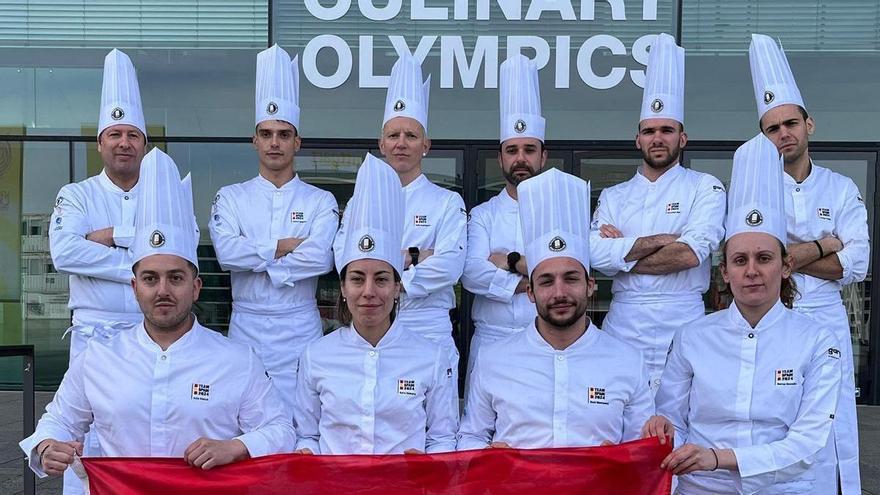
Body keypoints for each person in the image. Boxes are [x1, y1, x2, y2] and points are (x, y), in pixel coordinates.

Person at [20, 149, 295, 487]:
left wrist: (237, 446)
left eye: (175, 278)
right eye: (150, 278)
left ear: (196, 287)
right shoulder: (99, 359)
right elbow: (58, 422)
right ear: (135, 287)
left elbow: (281, 431)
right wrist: (46, 447)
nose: (163, 290)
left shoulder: (236, 359)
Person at [652, 134, 842, 494]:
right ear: (725, 272)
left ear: (786, 267)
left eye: (764, 258)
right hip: (701, 487)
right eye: (739, 260)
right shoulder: (691, 336)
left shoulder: (817, 340)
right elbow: (672, 420)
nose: (751, 270)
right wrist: (666, 436)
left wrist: (719, 457)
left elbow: (808, 443)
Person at [457, 168, 662, 450]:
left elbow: (641, 447)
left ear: (591, 286)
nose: (559, 293)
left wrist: (624, 457)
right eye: (546, 281)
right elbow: (471, 436)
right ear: (530, 292)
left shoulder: (627, 360)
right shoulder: (493, 359)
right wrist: (489, 459)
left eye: (571, 278)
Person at [749, 33, 868, 494]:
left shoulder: (839, 189)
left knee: (828, 417)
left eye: (790, 124)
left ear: (809, 124)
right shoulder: (755, 188)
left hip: (824, 319)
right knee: (770, 413)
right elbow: (751, 261)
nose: (783, 134)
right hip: (770, 319)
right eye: (772, 128)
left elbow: (857, 261)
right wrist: (822, 245)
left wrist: (790, 254)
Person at [590, 33, 726, 394]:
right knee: (620, 411)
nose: (657, 138)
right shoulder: (614, 195)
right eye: (649, 131)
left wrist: (624, 252)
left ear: (683, 138)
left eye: (667, 130)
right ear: (637, 139)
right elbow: (593, 255)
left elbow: (691, 253)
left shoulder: (705, 186)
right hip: (624, 321)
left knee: (682, 415)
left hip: (683, 319)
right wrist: (666, 238)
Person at [295, 154, 458, 455]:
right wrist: (306, 453)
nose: (369, 291)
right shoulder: (316, 356)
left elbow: (443, 438)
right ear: (343, 288)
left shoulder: (431, 357)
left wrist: (427, 463)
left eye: (382, 279)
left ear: (398, 288)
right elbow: (306, 435)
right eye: (357, 279)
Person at [209, 45, 338, 414]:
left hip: (300, 325)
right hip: (246, 323)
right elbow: (227, 254)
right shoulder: (231, 197)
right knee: (243, 415)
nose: (275, 142)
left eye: (283, 134)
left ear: (297, 142)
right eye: (266, 134)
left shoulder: (319, 199)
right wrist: (283, 246)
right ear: (255, 141)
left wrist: (259, 256)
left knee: (304, 417)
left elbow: (319, 259)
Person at [48, 48, 148, 495]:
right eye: (115, 134)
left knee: (143, 435)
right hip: (92, 339)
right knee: (81, 441)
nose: (123, 142)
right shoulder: (76, 193)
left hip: (147, 336)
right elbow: (65, 252)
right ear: (100, 142)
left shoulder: (163, 193)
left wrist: (106, 236)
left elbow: (178, 259)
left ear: (144, 143)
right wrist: (138, 256)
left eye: (132, 134)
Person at [335, 53, 466, 392]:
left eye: (411, 135)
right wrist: (414, 255)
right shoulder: (358, 203)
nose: (401, 143)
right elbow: (341, 258)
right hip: (370, 331)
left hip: (428, 327)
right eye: (393, 135)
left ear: (426, 145)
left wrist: (386, 271)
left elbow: (450, 265)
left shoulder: (447, 202)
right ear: (381, 144)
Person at [461, 54, 546, 383]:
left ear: (543, 155)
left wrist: (507, 260)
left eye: (529, 149)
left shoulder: (561, 210)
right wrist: (532, 279)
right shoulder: (482, 214)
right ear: (500, 158)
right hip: (491, 340)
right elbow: (471, 273)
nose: (520, 159)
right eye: (512, 150)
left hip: (545, 339)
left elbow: (571, 268)